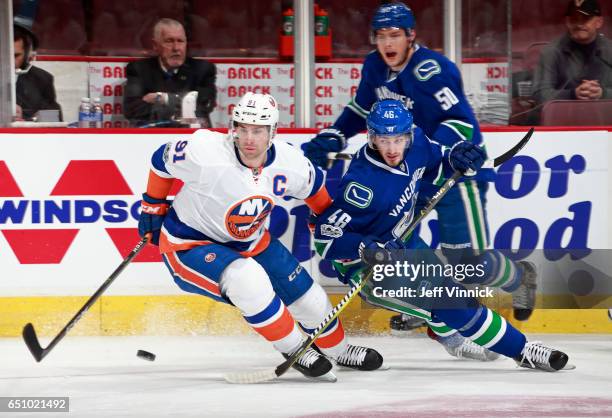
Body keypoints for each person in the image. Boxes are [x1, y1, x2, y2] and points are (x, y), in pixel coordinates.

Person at [301, 2, 537, 334]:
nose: (387, 44)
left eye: (394, 35)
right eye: (381, 36)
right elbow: (362, 107)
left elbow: (459, 121)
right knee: (403, 247)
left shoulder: (433, 70)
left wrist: (443, 153)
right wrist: (336, 133)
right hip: (409, 176)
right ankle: (425, 303)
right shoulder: (374, 66)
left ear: (411, 36)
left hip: (455, 174)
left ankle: (519, 276)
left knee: (467, 263)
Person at [137, 92, 384, 381]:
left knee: (310, 299)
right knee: (247, 279)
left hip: (251, 242)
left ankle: (340, 350)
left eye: (258, 131)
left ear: (272, 132)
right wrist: (153, 206)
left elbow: (316, 194)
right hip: (190, 243)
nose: (249, 139)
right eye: (242, 129)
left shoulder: (290, 161)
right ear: (233, 129)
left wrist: (335, 234)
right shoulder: (205, 150)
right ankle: (295, 349)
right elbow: (160, 160)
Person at [313, 99, 570, 372]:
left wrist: (456, 155)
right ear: (371, 136)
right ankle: (523, 350)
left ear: (409, 133)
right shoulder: (361, 185)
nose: (391, 149)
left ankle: (449, 336)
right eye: (384, 140)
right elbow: (325, 240)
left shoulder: (417, 143)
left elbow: (438, 159)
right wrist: (365, 248)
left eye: (398, 139)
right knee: (452, 302)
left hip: (406, 242)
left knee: (448, 290)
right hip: (369, 268)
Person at [124, 18, 216, 127]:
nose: (176, 48)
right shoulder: (139, 69)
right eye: (169, 41)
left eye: (180, 41)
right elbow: (132, 110)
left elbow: (202, 107)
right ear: (155, 45)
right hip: (152, 138)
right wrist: (184, 106)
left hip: (191, 138)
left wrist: (162, 98)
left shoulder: (202, 69)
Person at [533, 0, 612, 105]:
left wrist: (602, 93)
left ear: (599, 22)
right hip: (563, 118)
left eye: (585, 19)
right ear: (567, 21)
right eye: (574, 19)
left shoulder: (610, 50)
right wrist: (573, 94)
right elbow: (539, 94)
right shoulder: (552, 51)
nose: (579, 24)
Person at [13, 22, 62, 121]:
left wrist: (27, 120)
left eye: (16, 56)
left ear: (27, 54)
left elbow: (55, 119)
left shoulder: (42, 79)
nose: (9, 61)